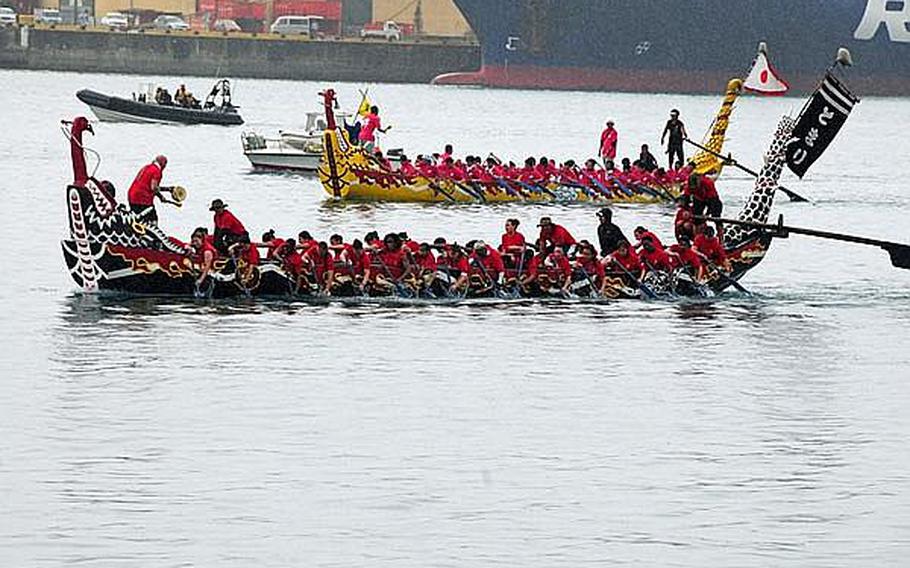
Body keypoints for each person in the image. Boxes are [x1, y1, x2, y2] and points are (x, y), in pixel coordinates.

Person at [127, 155, 175, 224]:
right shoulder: (157, 171)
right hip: (142, 198)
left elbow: (148, 185)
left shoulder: (146, 167)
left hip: (132, 196)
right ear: (163, 164)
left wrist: (160, 197)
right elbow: (154, 187)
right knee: (153, 219)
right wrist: (168, 189)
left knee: (137, 219)